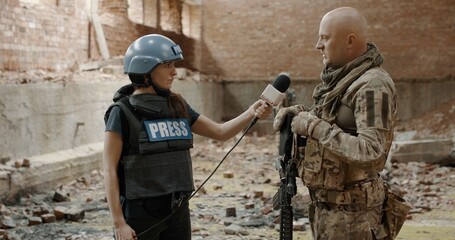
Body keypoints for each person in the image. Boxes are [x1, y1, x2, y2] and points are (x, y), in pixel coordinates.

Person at [103, 34, 272, 240]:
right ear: (144, 70)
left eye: (174, 64)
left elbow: (220, 132)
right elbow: (109, 170)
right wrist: (119, 223)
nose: (174, 72)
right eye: (167, 65)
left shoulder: (178, 105)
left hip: (177, 211)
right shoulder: (122, 112)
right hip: (139, 213)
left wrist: (251, 112)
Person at [273, 7, 405, 240]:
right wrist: (298, 114)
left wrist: (313, 127)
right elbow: (333, 122)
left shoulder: (372, 85)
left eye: (324, 38)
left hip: (355, 217)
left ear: (350, 41)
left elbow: (373, 153)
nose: (318, 45)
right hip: (329, 210)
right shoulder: (342, 79)